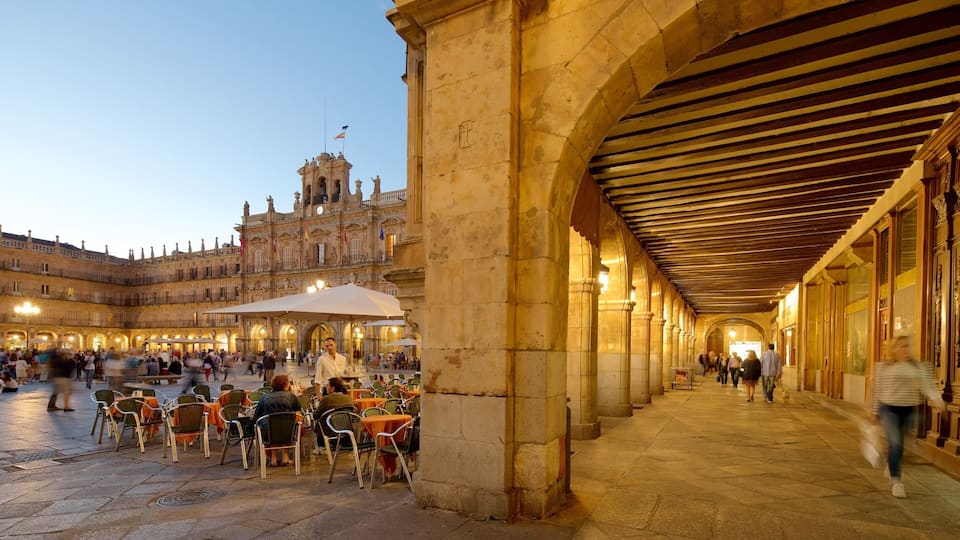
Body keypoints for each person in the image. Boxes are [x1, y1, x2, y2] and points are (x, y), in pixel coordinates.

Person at [872, 335, 945, 499]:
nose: (905, 349)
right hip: (888, 409)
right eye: (901, 346)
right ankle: (897, 481)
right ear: (894, 349)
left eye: (907, 346)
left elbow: (928, 387)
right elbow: (877, 391)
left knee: (900, 444)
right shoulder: (884, 367)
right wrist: (875, 412)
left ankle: (891, 467)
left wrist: (937, 400)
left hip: (908, 409)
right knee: (896, 443)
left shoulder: (917, 367)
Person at [253, 374, 302, 466]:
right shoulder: (291, 396)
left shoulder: (264, 397)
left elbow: (257, 416)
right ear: (286, 385)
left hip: (269, 432)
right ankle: (285, 457)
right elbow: (298, 412)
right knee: (287, 425)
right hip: (288, 431)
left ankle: (274, 459)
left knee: (272, 426)